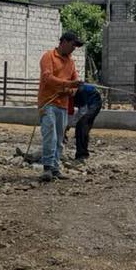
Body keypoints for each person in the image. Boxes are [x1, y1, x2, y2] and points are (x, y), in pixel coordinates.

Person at [37, 31, 83, 181]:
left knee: (59, 138)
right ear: (63, 42)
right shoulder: (48, 56)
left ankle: (55, 167)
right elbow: (47, 77)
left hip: (62, 104)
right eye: (72, 45)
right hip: (48, 103)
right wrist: (68, 85)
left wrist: (71, 90)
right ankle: (48, 167)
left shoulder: (71, 62)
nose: (73, 48)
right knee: (50, 135)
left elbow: (75, 82)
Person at [68, 82, 103, 165]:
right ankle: (82, 153)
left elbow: (82, 111)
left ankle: (82, 154)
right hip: (89, 103)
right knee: (82, 127)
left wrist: (68, 124)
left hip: (94, 102)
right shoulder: (74, 93)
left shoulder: (78, 93)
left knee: (82, 126)